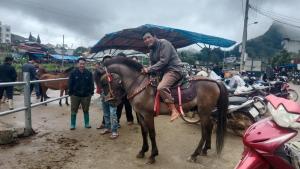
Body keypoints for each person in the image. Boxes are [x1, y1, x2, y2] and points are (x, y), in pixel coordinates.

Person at [142, 31, 184, 121]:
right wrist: (147, 72)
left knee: (161, 87)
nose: (147, 40)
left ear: (154, 36)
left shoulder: (164, 43)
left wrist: (149, 69)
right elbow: (152, 65)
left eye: (148, 37)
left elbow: (163, 61)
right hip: (163, 73)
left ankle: (174, 110)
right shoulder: (151, 50)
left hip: (173, 70)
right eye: (144, 39)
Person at [68, 58, 94, 130]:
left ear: (85, 64)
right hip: (75, 95)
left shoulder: (89, 73)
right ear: (77, 64)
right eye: (80, 63)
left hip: (86, 95)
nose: (82, 65)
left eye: (83, 64)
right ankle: (73, 124)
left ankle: (87, 123)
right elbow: (70, 83)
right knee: (73, 109)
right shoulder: (73, 73)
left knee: (86, 109)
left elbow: (91, 84)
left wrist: (91, 92)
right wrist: (71, 93)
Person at [115, 52, 134, 125]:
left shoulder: (128, 67)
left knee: (128, 105)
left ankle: (130, 119)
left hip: (127, 89)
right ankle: (117, 121)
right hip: (118, 90)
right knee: (118, 106)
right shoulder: (115, 68)